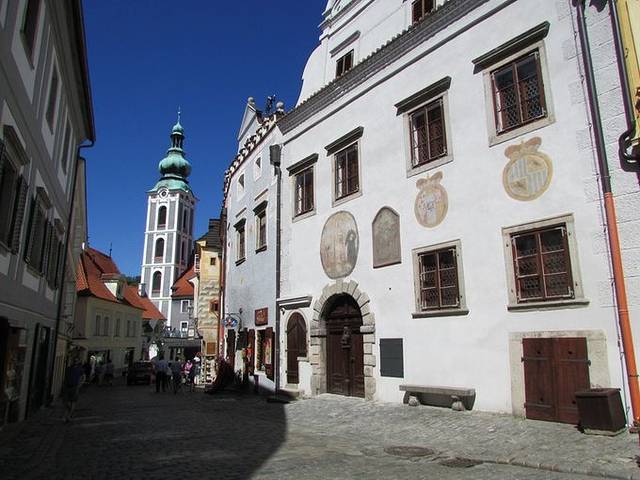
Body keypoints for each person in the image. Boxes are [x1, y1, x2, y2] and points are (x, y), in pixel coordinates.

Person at [62, 357, 85, 423]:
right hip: (67, 387)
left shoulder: (80, 369)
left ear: (78, 362)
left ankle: (68, 416)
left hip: (75, 387)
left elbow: (83, 377)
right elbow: (65, 377)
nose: (75, 361)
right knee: (66, 402)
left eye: (77, 360)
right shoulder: (68, 368)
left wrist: (80, 384)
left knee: (73, 402)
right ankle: (68, 414)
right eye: (74, 360)